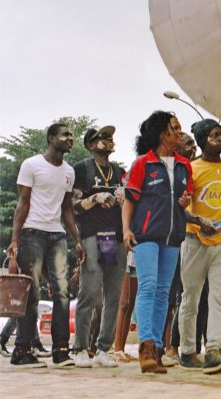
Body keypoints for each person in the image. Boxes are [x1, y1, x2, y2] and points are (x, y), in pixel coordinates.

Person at [122, 112, 201, 374]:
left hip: (173, 236)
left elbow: (185, 196)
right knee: (148, 286)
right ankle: (145, 347)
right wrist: (126, 231)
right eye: (175, 128)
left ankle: (156, 348)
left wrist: (185, 202)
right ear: (162, 134)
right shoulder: (143, 164)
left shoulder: (184, 165)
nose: (180, 132)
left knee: (164, 292)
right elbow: (130, 199)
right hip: (145, 235)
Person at [7, 122, 83, 369]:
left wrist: (78, 240)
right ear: (51, 138)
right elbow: (23, 203)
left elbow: (67, 210)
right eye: (65, 135)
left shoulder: (69, 172)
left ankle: (61, 351)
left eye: (71, 135)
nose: (70, 138)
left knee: (62, 292)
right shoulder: (31, 165)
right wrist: (15, 240)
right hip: (32, 233)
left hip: (57, 235)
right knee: (32, 292)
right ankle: (23, 350)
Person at [177, 119, 221, 374]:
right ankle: (187, 351)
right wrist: (198, 221)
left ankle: (214, 351)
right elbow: (181, 207)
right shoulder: (190, 169)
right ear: (203, 139)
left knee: (219, 297)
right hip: (195, 240)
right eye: (215, 135)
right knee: (191, 298)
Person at [70, 125, 127, 368]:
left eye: (110, 137)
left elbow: (130, 206)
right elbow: (72, 206)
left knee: (113, 293)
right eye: (102, 138)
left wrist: (125, 199)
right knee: (89, 291)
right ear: (91, 144)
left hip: (116, 237)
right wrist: (94, 198)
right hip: (92, 235)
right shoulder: (82, 168)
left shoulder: (120, 171)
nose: (108, 140)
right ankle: (81, 347)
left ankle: (104, 348)